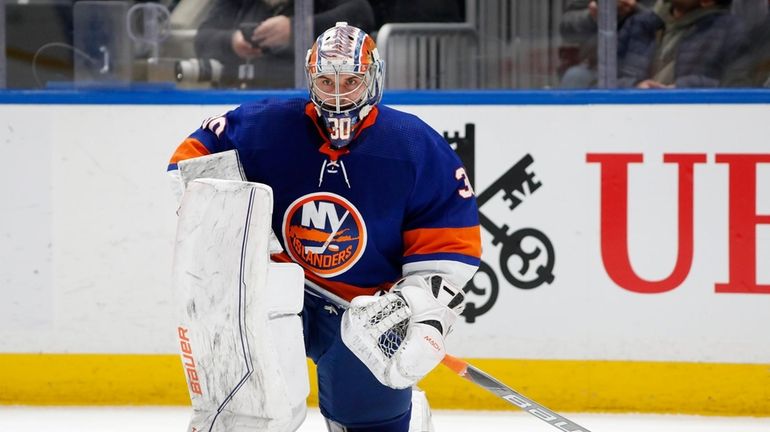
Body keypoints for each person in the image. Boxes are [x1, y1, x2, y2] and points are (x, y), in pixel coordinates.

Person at [168, 22, 481, 432]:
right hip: (270, 295)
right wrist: (239, 230)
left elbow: (449, 243)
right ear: (311, 81)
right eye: (326, 81)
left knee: (369, 424)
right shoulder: (266, 125)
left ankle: (407, 412)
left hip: (364, 313)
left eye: (351, 81)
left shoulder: (413, 144)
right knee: (247, 418)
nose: (338, 93)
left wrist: (419, 307)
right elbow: (188, 162)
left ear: (373, 78)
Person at [194, 0, 375, 88]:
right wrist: (232, 41)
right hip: (242, 100)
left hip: (303, 102)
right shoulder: (240, 4)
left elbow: (361, 15)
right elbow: (203, 39)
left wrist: (296, 29)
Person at [617, 0, 750, 88]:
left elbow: (741, 87)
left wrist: (684, 89)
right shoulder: (639, 23)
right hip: (631, 122)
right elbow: (601, 78)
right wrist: (635, 87)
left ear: (707, 1)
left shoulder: (731, 30)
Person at [558, 0, 655, 88]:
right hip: (597, 68)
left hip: (648, 71)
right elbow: (566, 29)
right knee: (575, 77)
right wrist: (591, 16)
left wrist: (635, 8)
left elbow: (664, 23)